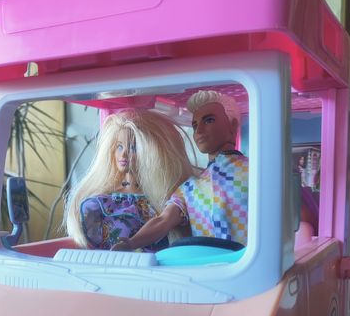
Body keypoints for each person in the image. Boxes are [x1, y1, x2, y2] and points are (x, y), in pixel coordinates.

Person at [112, 90, 248, 251]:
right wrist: (132, 243)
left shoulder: (254, 172)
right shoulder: (190, 187)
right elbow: (163, 221)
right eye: (195, 126)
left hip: (250, 260)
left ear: (233, 126)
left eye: (209, 120)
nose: (199, 131)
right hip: (206, 262)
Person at [65, 109, 196, 250]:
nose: (124, 154)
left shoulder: (163, 200)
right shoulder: (100, 202)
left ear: (153, 152)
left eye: (133, 148)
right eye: (119, 147)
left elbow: (164, 223)